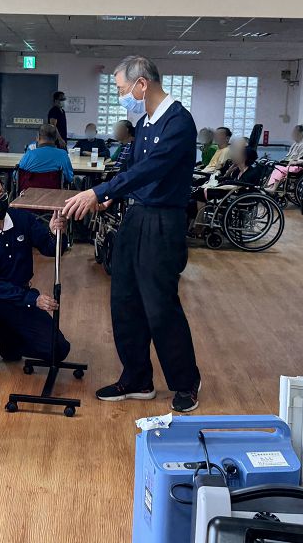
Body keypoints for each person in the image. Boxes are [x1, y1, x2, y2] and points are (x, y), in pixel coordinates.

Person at [62, 55, 201, 413]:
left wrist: (100, 192)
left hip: (163, 222)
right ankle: (137, 378)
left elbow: (153, 168)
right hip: (135, 217)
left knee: (160, 305)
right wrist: (112, 197)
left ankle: (186, 382)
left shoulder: (178, 122)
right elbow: (135, 169)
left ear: (142, 84)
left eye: (122, 89)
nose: (121, 96)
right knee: (124, 301)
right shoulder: (145, 123)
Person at [0, 170, 70, 372]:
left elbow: (50, 249)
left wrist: (55, 233)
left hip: (19, 296)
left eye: (1, 194)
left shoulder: (22, 219)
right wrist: (33, 299)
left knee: (58, 350)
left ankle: (9, 335)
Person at [188, 143, 261, 226]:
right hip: (229, 192)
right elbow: (225, 179)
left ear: (244, 157)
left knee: (200, 192)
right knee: (194, 196)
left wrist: (218, 187)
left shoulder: (251, 173)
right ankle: (194, 222)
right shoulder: (237, 170)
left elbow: (238, 186)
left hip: (238, 196)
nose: (234, 155)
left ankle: (199, 223)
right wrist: (229, 171)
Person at [265, 124, 303, 191]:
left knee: (279, 168)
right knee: (277, 167)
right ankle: (271, 186)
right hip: (302, 166)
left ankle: (273, 188)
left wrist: (300, 162)